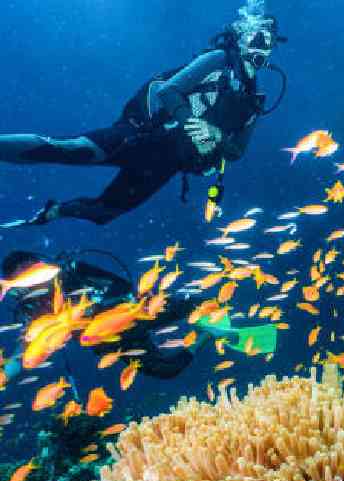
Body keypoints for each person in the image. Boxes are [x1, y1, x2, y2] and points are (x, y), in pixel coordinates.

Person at [0, 3, 285, 227]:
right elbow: (168, 92)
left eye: (267, 42)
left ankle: (55, 212)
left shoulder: (253, 100)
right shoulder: (217, 60)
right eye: (255, 37)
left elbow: (236, 152)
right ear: (241, 37)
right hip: (139, 136)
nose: (260, 46)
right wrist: (192, 123)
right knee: (70, 149)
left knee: (105, 212)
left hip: (165, 164)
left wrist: (217, 135)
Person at [1, 250, 205, 382]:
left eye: (31, 268)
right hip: (108, 341)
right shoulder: (32, 307)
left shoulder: (73, 272)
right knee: (165, 370)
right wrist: (5, 374)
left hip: (129, 314)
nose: (32, 277)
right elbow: (28, 349)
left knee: (188, 307)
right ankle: (204, 338)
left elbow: (120, 285)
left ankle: (215, 311)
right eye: (22, 275)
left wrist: (97, 308)